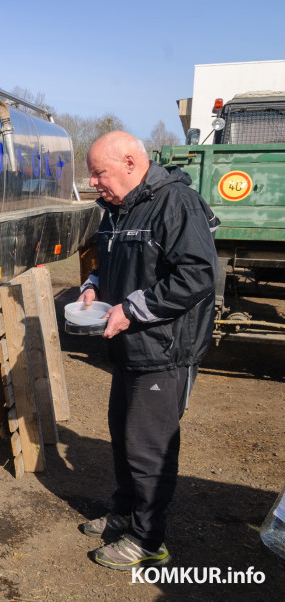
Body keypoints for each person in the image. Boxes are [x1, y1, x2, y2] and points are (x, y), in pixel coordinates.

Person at [77, 131, 219, 570]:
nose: (94, 182)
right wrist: (92, 286)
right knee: (123, 438)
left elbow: (197, 275)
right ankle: (125, 513)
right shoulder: (117, 209)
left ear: (130, 163)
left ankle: (148, 540)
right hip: (129, 347)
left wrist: (131, 310)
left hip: (164, 350)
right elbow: (109, 262)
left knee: (148, 449)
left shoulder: (176, 203)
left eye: (99, 173)